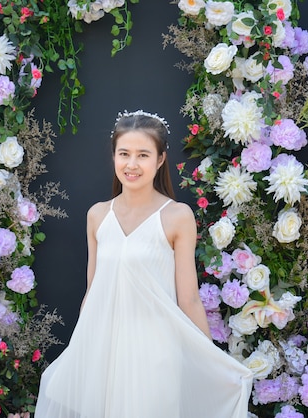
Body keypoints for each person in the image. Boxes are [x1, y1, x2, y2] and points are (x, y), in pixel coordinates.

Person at [34, 110, 254, 418]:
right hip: (106, 351)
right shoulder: (97, 215)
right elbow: (93, 291)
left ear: (160, 159)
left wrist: (207, 360)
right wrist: (80, 352)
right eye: (124, 154)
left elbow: (188, 298)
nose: (132, 164)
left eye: (143, 155)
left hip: (156, 353)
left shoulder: (177, 216)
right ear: (113, 157)